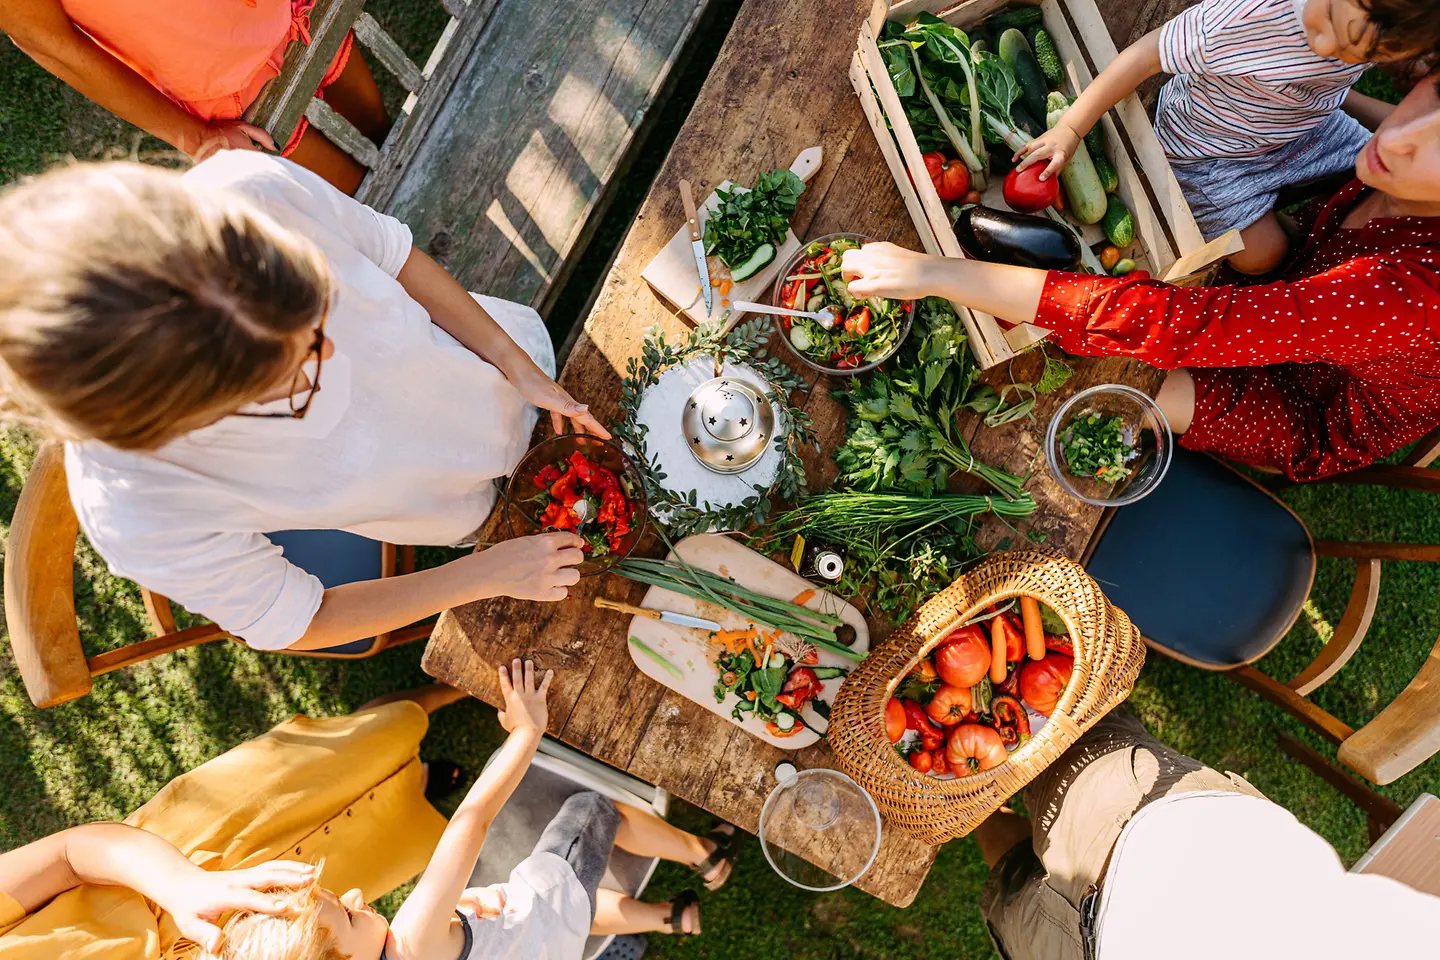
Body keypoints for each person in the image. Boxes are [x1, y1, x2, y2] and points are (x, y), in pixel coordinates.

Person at [0, 152, 606, 653]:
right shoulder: (140, 511)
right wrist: (486, 573)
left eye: (314, 314)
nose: (330, 351)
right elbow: (299, 620)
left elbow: (392, 258)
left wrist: (511, 360)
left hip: (496, 373)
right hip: (454, 509)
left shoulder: (248, 191)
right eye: (293, 375)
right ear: (174, 422)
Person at [839, 67, 1440, 481]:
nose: (1402, 139)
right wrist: (1328, 93)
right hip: (1295, 292)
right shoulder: (1403, 160)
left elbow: (1176, 324)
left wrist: (933, 272)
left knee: (1117, 383)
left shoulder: (1413, 299)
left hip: (1304, 403)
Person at [212, 660, 737, 960]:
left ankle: (671, 917)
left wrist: (460, 919)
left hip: (549, 948)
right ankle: (706, 854)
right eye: (348, 914)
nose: (355, 896)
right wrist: (526, 731)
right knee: (592, 811)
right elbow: (471, 822)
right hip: (541, 913)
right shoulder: (411, 941)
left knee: (569, 906)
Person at [0, 683, 468, 958]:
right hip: (289, 939)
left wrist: (181, 885)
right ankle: (419, 783)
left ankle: (449, 689)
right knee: (378, 839)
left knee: (356, 747)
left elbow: (68, 856)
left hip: (197, 843)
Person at [971, 710, 1440, 959]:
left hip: (1102, 926)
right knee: (1050, 716)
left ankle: (971, 796)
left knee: (1011, 883)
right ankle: (974, 787)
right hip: (1158, 843)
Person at [1015, 0, 1440, 274]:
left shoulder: (1375, 22)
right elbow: (1145, 56)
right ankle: (1289, 224)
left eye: (1357, 54)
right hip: (1207, 152)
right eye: (1328, 18)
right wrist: (1071, 128)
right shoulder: (1251, 17)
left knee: (1385, 169)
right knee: (1264, 257)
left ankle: (1296, 212)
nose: (1326, 45)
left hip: (1302, 127)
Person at [0, 0, 389, 194]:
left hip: (291, 13)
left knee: (380, 131)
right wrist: (194, 137)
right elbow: (52, 44)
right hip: (226, 85)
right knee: (361, 196)